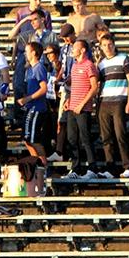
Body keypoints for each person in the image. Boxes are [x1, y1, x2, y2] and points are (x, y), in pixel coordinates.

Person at [97, 33, 129, 178]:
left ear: (114, 45)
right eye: (104, 45)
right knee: (106, 137)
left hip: (119, 101)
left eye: (110, 44)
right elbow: (99, 83)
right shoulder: (101, 63)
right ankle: (110, 168)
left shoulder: (124, 59)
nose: (107, 47)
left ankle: (128, 166)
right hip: (104, 102)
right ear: (101, 47)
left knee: (120, 134)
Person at [11, 0, 52, 122]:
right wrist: (14, 56)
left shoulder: (45, 13)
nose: (38, 2)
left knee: (37, 82)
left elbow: (48, 33)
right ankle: (19, 114)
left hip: (38, 52)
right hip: (23, 52)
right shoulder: (21, 12)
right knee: (18, 83)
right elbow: (15, 36)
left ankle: (40, 111)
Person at [63, 39, 99, 179]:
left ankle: (92, 168)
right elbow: (74, 87)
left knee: (85, 138)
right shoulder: (74, 65)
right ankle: (76, 168)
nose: (73, 49)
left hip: (83, 109)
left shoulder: (89, 65)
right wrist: (69, 100)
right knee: (71, 138)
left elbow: (94, 87)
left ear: (83, 50)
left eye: (75, 47)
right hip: (72, 107)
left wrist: (82, 104)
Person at [47, 23, 76, 163]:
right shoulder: (65, 48)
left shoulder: (80, 46)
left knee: (73, 122)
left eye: (67, 37)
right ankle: (59, 151)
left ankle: (72, 153)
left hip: (77, 88)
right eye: (63, 38)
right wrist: (58, 79)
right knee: (61, 120)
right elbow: (63, 67)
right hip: (66, 87)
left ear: (73, 34)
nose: (65, 40)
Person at [16, 42, 49, 165]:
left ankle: (43, 167)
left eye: (27, 51)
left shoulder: (39, 67)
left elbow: (43, 88)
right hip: (30, 108)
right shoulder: (30, 69)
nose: (25, 54)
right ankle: (36, 165)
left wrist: (28, 99)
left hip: (37, 108)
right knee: (27, 139)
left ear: (34, 53)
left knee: (34, 140)